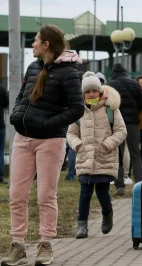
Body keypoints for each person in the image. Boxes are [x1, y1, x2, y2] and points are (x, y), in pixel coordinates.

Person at [3, 25, 84, 266]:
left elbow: (77, 108)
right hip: (22, 138)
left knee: (45, 196)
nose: (32, 44)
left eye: (36, 40)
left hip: (50, 141)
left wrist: (49, 124)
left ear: (46, 44)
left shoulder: (69, 73)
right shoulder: (33, 67)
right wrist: (17, 114)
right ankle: (17, 245)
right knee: (16, 195)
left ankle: (45, 246)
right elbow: (22, 96)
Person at [67, 72, 127, 239]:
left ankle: (107, 213)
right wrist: (77, 144)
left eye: (94, 90)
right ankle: (82, 225)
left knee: (102, 191)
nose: (91, 94)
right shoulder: (78, 111)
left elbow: (121, 131)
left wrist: (108, 144)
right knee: (85, 193)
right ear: (83, 94)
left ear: (100, 91)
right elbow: (71, 133)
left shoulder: (110, 109)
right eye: (88, 91)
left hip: (103, 157)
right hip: (85, 157)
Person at [107, 63, 142, 196]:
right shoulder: (134, 84)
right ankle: (140, 184)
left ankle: (119, 185)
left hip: (117, 124)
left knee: (118, 154)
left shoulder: (110, 85)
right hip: (133, 124)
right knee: (135, 153)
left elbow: (107, 105)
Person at [0, 83, 8, 185]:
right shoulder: (2, 88)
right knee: (1, 150)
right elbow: (6, 103)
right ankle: (0, 176)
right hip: (0, 125)